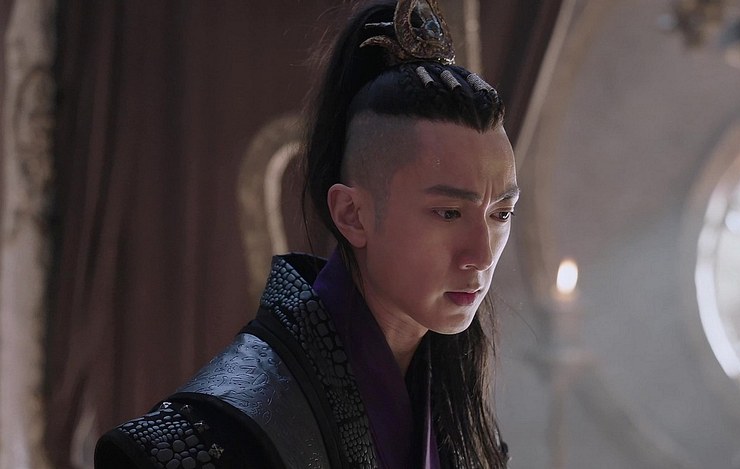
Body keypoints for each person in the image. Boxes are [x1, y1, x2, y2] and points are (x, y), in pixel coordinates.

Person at [94, 0, 518, 467]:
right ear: (352, 215)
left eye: (501, 214)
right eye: (448, 213)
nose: (481, 255)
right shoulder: (224, 433)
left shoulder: (457, 413)